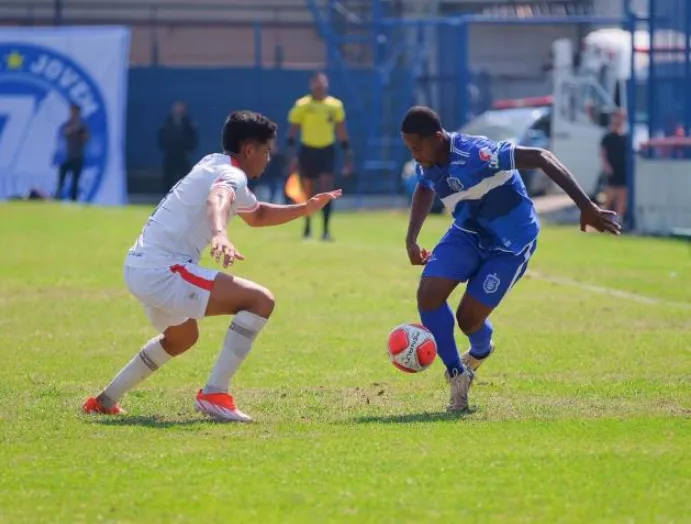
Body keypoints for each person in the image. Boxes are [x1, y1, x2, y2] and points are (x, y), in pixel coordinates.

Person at [83, 110, 341, 422]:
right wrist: (220, 233)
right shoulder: (232, 176)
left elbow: (256, 215)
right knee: (260, 301)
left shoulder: (213, 163)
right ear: (249, 150)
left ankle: (105, 400)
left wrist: (304, 208)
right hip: (162, 270)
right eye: (267, 151)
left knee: (182, 338)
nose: (269, 158)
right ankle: (215, 393)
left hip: (140, 265)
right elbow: (218, 199)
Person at [401, 106, 620, 413]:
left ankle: (480, 350)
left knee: (468, 320)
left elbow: (541, 158)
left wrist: (587, 206)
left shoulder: (477, 153)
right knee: (428, 294)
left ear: (438, 137)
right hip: (468, 232)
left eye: (417, 147)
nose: (415, 154)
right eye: (410, 148)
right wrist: (412, 238)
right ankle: (457, 374)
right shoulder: (429, 160)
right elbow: (425, 188)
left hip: (510, 243)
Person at [287, 72, 353, 241]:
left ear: (327, 85)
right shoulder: (302, 105)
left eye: (322, 84)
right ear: (311, 85)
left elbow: (341, 129)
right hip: (308, 150)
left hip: (327, 150)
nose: (320, 87)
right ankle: (308, 226)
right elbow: (293, 131)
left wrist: (347, 154)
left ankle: (325, 230)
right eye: (317, 84)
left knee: (326, 188)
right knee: (308, 189)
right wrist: (292, 155)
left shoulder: (335, 105)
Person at [158, 101, 198, 193]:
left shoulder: (188, 124)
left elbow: (193, 139)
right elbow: (162, 138)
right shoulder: (167, 123)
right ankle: (166, 199)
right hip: (169, 155)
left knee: (184, 178)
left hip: (182, 155)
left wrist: (187, 149)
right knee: (168, 178)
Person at [55, 103, 89, 201]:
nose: (73, 114)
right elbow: (65, 133)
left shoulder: (83, 126)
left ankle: (73, 199)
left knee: (75, 182)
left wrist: (80, 132)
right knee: (62, 174)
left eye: (75, 112)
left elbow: (86, 139)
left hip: (78, 158)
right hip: (68, 157)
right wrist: (74, 128)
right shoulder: (67, 124)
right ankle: (58, 195)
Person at [600, 109, 628, 223]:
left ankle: (618, 220)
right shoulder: (607, 137)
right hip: (612, 169)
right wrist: (606, 166)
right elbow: (603, 154)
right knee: (610, 195)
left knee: (622, 194)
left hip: (623, 169)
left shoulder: (626, 137)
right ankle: (603, 219)